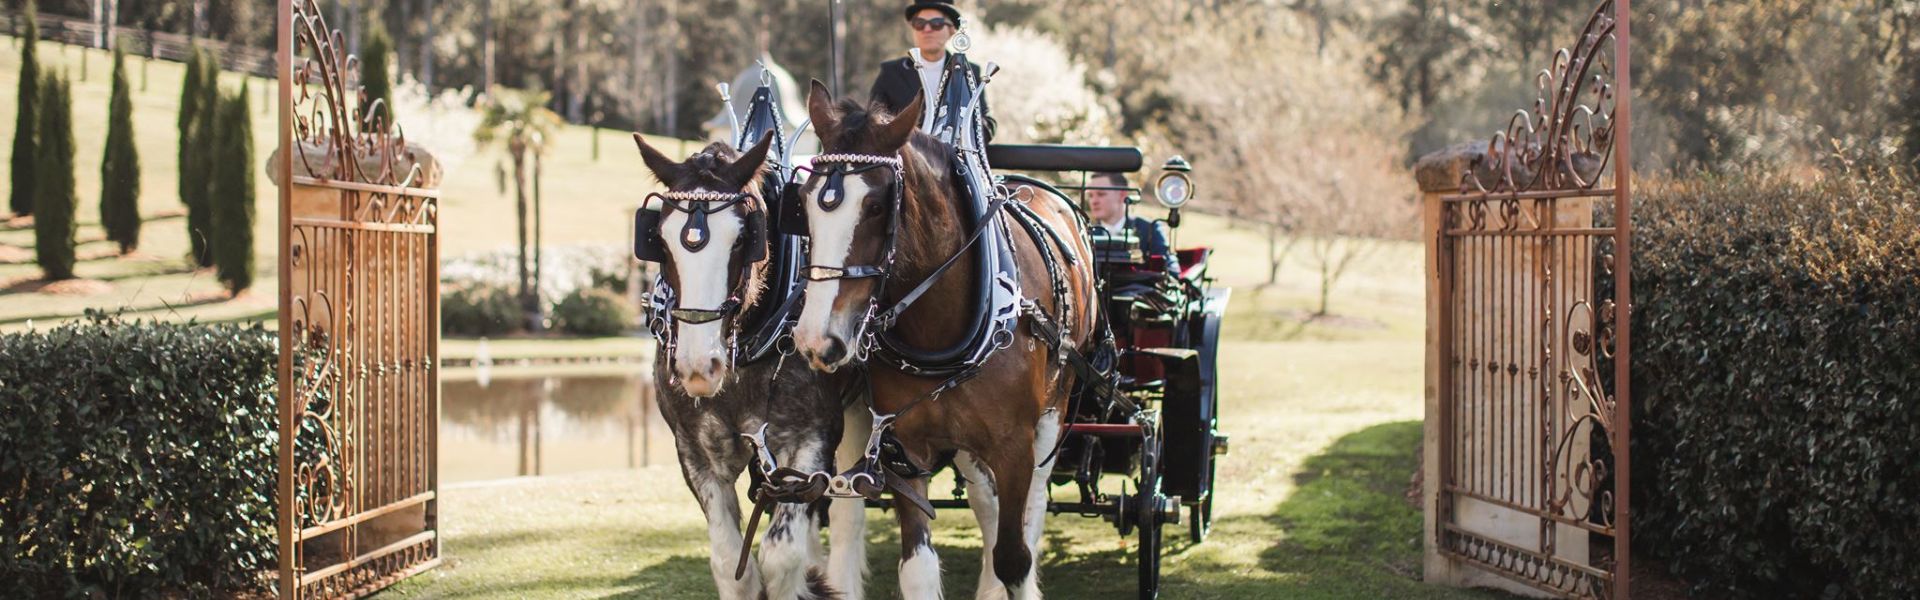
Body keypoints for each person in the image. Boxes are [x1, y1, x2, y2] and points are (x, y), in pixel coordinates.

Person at [868, 1, 996, 142]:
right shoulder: (891, 72)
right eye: (919, 23)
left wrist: (960, 134)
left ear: (952, 29)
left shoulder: (969, 71)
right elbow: (872, 121)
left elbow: (988, 123)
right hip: (905, 160)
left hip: (952, 161)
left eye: (936, 23)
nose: (927, 29)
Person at [1086, 172, 1178, 274]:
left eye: (1101, 194)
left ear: (1122, 195)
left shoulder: (1150, 229)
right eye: (1090, 195)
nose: (1093, 201)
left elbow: (1170, 270)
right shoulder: (1086, 234)